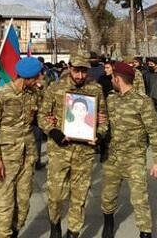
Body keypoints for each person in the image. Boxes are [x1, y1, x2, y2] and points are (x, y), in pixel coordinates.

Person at [38, 51, 106, 238]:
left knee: (80, 195)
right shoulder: (55, 88)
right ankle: (55, 225)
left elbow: (103, 120)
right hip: (60, 150)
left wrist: (99, 135)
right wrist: (53, 131)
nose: (80, 76)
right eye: (76, 71)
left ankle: (74, 231)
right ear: (69, 68)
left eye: (84, 71)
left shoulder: (96, 90)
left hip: (84, 152)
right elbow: (42, 116)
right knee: (55, 194)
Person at [100, 62, 157, 238]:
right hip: (111, 157)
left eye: (112, 77)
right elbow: (104, 124)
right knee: (108, 196)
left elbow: (155, 131)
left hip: (134, 158)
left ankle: (145, 233)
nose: (110, 80)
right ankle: (108, 223)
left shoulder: (142, 101)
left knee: (139, 199)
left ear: (117, 78)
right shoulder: (111, 98)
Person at [0, 57, 42, 238]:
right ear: (29, 77)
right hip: (6, 157)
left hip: (27, 155)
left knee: (23, 203)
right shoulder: (0, 94)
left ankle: (15, 232)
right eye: (37, 76)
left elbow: (39, 117)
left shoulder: (33, 94)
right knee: (4, 204)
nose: (40, 78)